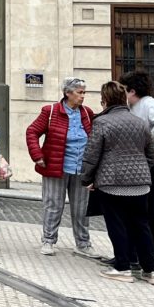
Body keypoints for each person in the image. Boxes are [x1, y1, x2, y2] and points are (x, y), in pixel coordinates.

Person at [80, 81, 154, 284]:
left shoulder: (102, 123)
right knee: (142, 225)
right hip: (140, 184)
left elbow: (92, 155)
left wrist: (87, 178)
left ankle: (123, 267)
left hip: (112, 183)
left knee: (117, 225)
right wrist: (139, 168)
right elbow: (153, 155)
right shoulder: (140, 122)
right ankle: (150, 271)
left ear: (105, 100)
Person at [26, 77, 97, 257]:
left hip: (81, 168)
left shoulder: (87, 113)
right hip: (56, 167)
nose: (83, 96)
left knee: (82, 208)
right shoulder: (50, 111)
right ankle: (48, 241)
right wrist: (37, 156)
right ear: (67, 93)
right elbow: (32, 131)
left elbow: (95, 137)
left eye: (84, 92)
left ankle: (83, 244)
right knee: (53, 205)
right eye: (79, 92)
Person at [120, 70, 154, 271]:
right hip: (150, 160)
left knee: (151, 207)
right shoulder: (135, 106)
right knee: (142, 206)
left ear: (132, 90)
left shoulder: (147, 103)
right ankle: (137, 252)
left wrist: (150, 136)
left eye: (124, 90)